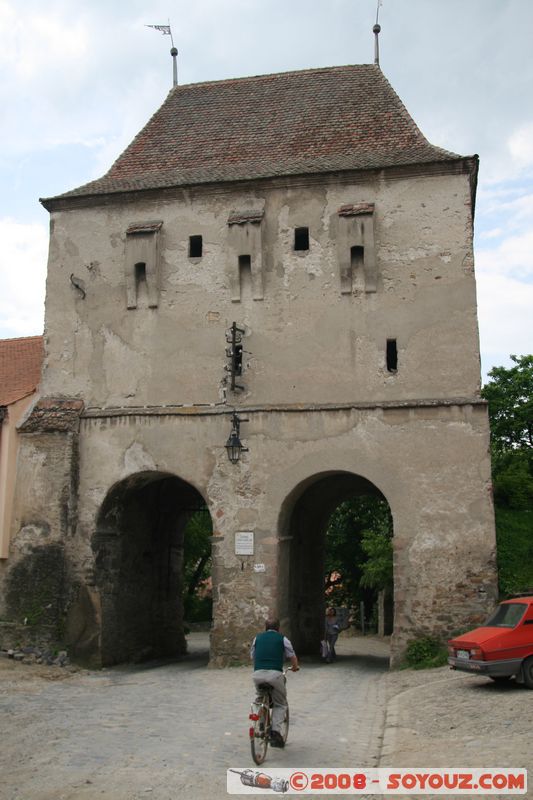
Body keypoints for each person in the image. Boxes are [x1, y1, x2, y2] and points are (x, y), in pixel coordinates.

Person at [250, 618, 299, 748]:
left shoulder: (257, 638)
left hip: (258, 674)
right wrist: (295, 667)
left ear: (265, 627)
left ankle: (260, 722)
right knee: (280, 703)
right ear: (278, 628)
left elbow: (253, 656)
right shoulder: (283, 639)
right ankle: (275, 732)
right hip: (275, 675)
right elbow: (292, 656)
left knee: (259, 698)